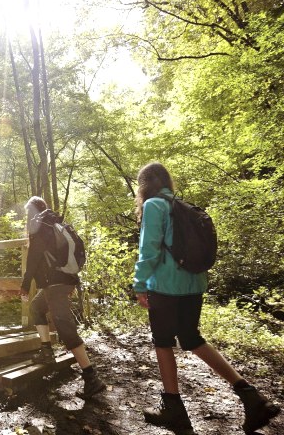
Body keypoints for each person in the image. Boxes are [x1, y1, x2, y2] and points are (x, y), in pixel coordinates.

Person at [133, 162, 280, 435]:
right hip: (193, 282)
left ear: (144, 185)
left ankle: (174, 410)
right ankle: (250, 396)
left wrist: (140, 284)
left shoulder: (154, 206)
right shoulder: (184, 205)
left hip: (165, 287)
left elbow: (149, 249)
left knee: (163, 342)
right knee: (191, 338)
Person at [20, 196, 106, 400]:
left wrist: (25, 285)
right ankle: (46, 350)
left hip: (55, 282)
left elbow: (33, 258)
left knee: (64, 325)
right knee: (37, 307)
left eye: (28, 211)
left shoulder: (39, 225)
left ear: (33, 210)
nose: (27, 216)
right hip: (66, 279)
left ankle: (91, 377)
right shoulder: (56, 223)